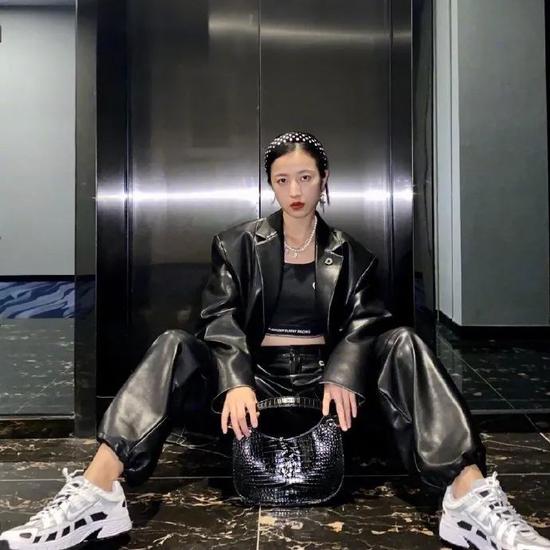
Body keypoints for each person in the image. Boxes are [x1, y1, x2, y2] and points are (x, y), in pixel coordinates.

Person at [1, 132, 548, 550]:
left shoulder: (354, 254)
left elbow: (367, 322)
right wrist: (235, 380)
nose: (294, 191)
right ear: (271, 184)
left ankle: (467, 497)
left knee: (404, 340)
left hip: (326, 386)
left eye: (305, 178)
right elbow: (219, 316)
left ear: (324, 179)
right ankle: (98, 494)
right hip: (255, 381)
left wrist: (343, 371)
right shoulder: (236, 244)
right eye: (283, 180)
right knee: (172, 342)